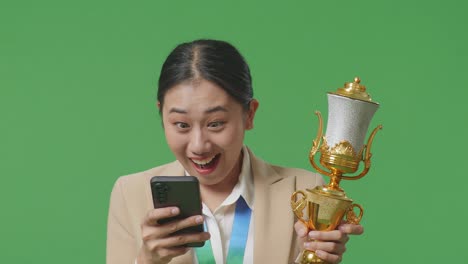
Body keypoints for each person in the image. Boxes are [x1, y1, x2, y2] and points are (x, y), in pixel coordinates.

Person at [106, 39, 363, 264]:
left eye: (215, 123)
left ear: (249, 115)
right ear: (161, 115)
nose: (198, 145)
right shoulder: (130, 194)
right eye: (181, 125)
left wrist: (319, 259)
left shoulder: (304, 191)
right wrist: (147, 261)